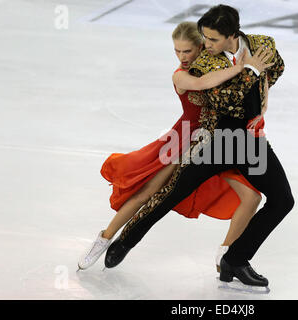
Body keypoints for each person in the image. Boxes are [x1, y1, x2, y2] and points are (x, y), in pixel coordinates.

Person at [104, 4, 295, 289]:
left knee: (283, 200)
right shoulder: (205, 62)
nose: (205, 44)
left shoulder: (261, 44)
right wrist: (251, 72)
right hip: (215, 141)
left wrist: (264, 85)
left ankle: (236, 259)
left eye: (213, 39)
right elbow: (225, 101)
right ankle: (127, 240)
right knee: (169, 196)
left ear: (233, 34)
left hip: (250, 142)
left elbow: (277, 66)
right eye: (204, 38)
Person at [77, 21, 272, 273]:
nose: (182, 57)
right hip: (185, 138)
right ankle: (105, 237)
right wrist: (244, 68)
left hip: (223, 140)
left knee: (252, 197)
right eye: (177, 52)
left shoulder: (223, 65)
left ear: (202, 47)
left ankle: (227, 255)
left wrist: (259, 92)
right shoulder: (181, 75)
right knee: (150, 190)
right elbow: (203, 84)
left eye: (188, 51)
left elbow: (255, 89)